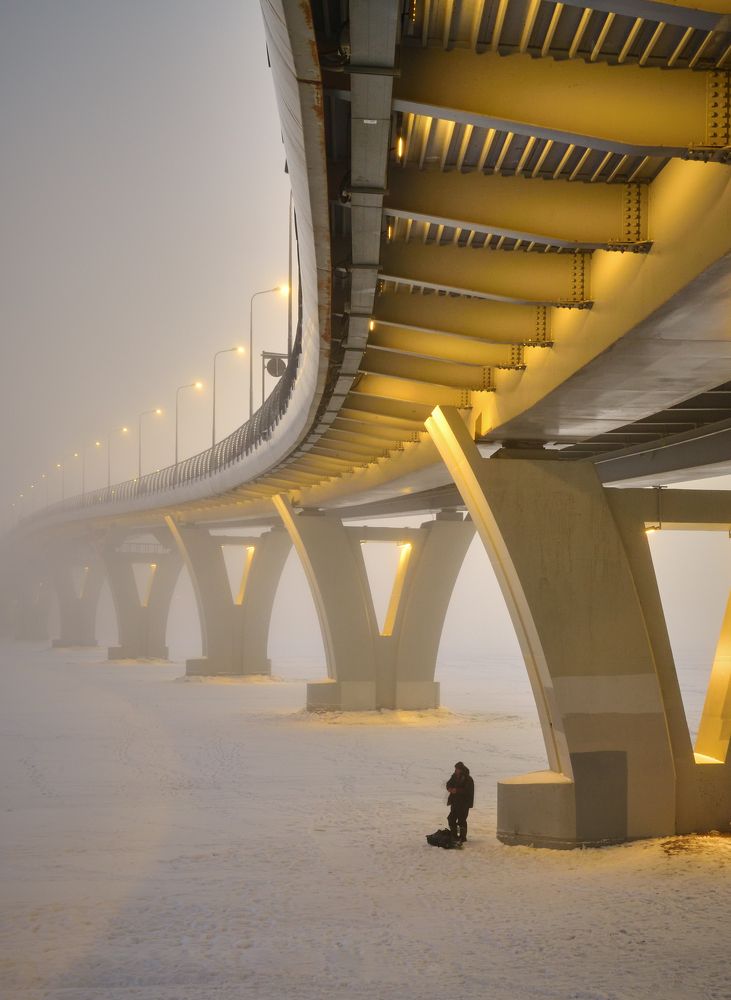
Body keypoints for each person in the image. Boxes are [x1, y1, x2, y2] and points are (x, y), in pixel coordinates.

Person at [446, 761, 474, 844]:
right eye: (455, 769)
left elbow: (468, 790)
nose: (456, 770)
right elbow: (448, 783)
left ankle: (462, 837)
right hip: (454, 802)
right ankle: (454, 835)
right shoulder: (454, 776)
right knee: (451, 818)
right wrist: (449, 788)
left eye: (457, 769)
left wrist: (457, 790)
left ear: (461, 769)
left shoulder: (468, 779)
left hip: (464, 803)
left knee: (461, 820)